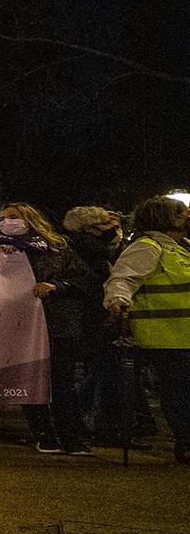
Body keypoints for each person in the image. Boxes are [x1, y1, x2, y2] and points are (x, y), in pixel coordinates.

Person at [0, 203, 90, 455]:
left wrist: (56, 286)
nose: (7, 222)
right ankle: (44, 434)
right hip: (17, 325)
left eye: (13, 217)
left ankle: (71, 438)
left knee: (62, 382)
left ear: (30, 220)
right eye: (2, 218)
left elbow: (86, 280)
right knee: (30, 380)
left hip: (58, 324)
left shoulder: (58, 248)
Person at [103, 196, 190, 465]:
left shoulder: (182, 248)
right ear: (167, 218)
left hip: (183, 335)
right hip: (167, 335)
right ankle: (186, 442)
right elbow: (123, 278)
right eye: (183, 213)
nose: (188, 216)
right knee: (179, 392)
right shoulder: (146, 247)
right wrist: (118, 301)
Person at [63, 206, 127, 445]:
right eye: (106, 224)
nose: (113, 229)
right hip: (93, 318)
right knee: (102, 371)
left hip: (90, 318)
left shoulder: (94, 250)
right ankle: (101, 426)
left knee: (97, 371)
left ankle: (85, 421)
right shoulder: (92, 252)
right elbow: (94, 284)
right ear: (90, 229)